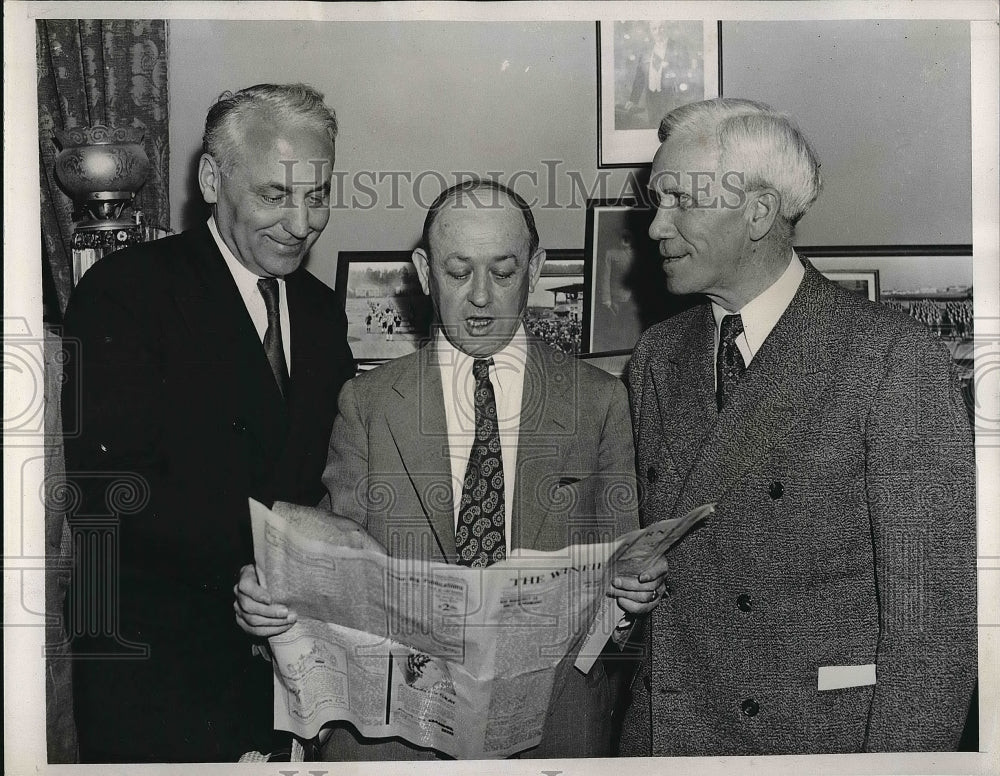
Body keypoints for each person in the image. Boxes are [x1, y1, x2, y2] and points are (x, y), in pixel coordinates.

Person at [235, 179, 668, 759]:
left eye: (504, 271)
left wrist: (628, 596)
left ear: (535, 268)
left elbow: (621, 576)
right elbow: (336, 565)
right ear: (423, 269)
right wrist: (275, 595)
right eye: (459, 272)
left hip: (549, 735)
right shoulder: (368, 402)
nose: (482, 297)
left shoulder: (598, 403)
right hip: (395, 740)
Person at [619, 98, 977, 755]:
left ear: (757, 211)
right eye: (655, 201)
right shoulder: (657, 359)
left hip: (818, 745)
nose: (655, 228)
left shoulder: (891, 360)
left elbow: (932, 635)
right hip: (669, 739)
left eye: (679, 201)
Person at [61, 83, 355, 762]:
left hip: (281, 667)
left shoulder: (317, 309)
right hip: (156, 669)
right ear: (213, 178)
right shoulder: (126, 292)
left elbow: (327, 472)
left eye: (318, 195)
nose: (303, 221)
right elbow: (112, 487)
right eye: (277, 195)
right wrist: (269, 557)